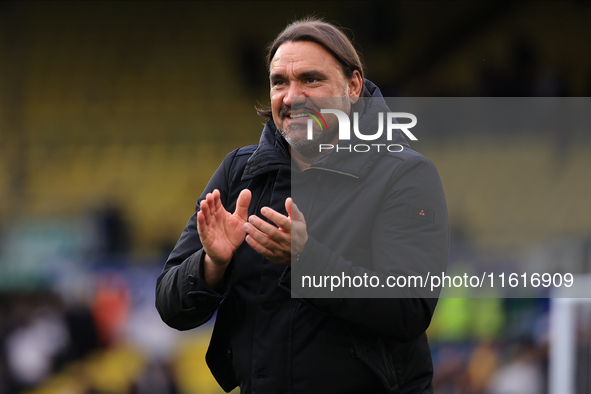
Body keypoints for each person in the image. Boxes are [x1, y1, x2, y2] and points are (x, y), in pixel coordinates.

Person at [156, 18, 449, 394]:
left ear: (353, 87)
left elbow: (409, 309)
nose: (292, 96)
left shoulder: (405, 174)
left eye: (311, 79)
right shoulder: (239, 172)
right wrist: (212, 265)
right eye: (280, 82)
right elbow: (170, 305)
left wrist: (306, 260)